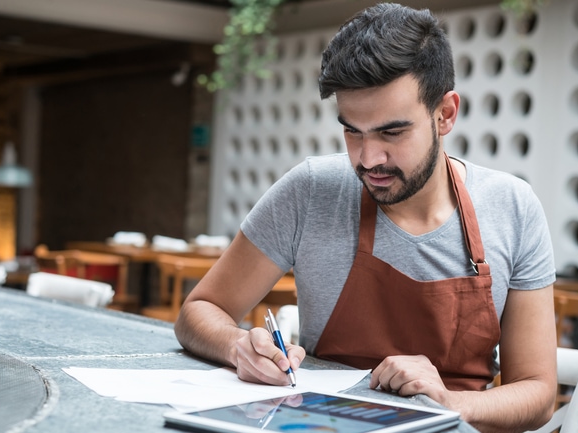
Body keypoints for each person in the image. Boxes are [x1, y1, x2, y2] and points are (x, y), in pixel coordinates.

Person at [175, 3, 556, 431]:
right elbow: (201, 310)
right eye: (352, 130)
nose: (369, 158)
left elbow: (538, 393)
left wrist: (449, 402)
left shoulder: (512, 207)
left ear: (445, 114)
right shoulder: (311, 190)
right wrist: (239, 346)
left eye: (392, 132)